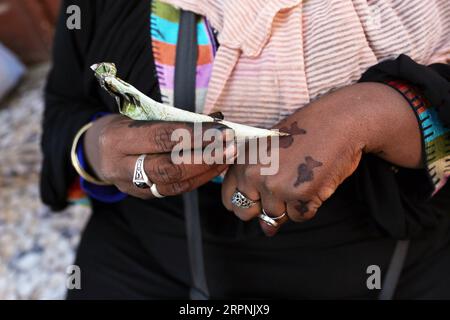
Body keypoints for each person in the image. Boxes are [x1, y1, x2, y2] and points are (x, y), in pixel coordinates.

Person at [41, 0, 450, 299]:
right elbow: (65, 108)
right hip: (151, 261)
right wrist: (94, 148)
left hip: (389, 266)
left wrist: (376, 114)